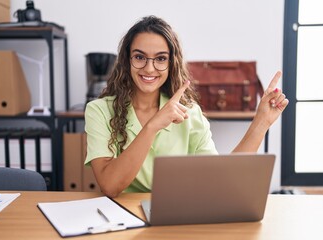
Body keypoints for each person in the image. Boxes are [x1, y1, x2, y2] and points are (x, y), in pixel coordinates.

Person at [84, 15, 289, 198]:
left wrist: (262, 122)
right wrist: (153, 126)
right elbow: (110, 186)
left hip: (176, 214)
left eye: (161, 59)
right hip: (123, 217)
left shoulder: (189, 113)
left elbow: (221, 179)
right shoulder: (99, 111)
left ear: (171, 63)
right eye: (139, 57)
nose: (149, 68)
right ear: (126, 61)